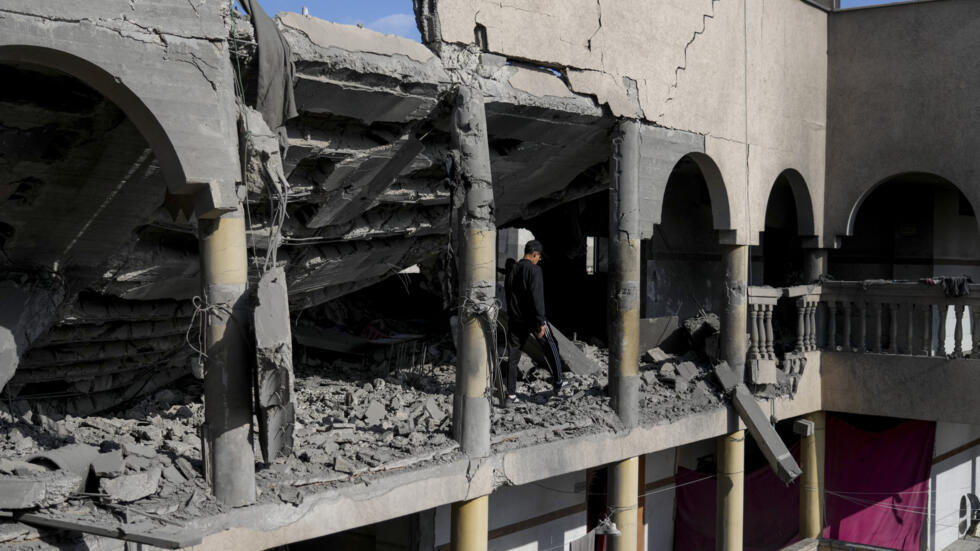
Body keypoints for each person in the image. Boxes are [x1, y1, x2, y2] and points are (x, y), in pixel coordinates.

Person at [504, 240, 565, 404]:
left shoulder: (512, 270)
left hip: (515, 320)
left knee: (513, 356)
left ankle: (510, 395)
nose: (539, 260)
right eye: (539, 257)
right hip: (532, 319)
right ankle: (559, 382)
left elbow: (508, 296)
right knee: (551, 344)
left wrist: (512, 315)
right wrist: (541, 321)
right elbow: (537, 297)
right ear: (535, 254)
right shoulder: (534, 270)